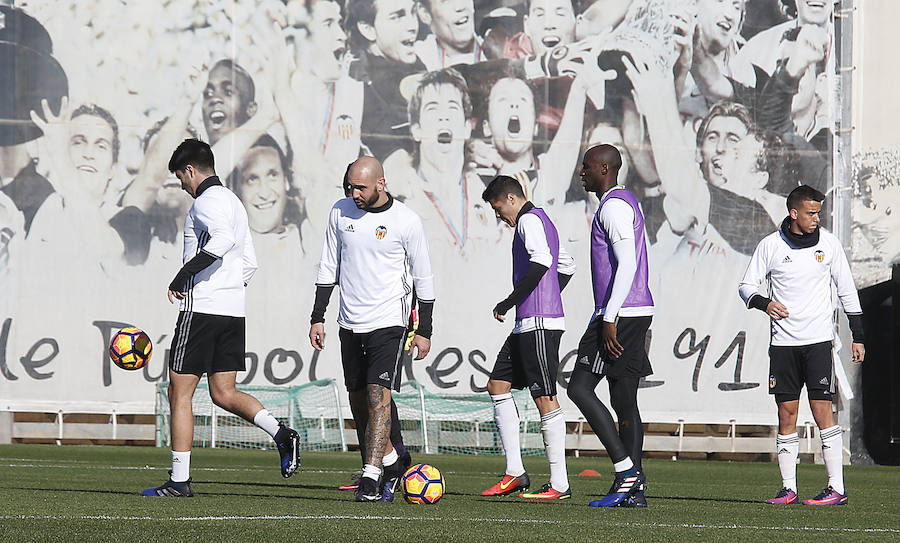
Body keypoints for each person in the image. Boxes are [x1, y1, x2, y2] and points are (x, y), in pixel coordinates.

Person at [142, 139, 301, 497]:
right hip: (232, 312)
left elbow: (222, 241)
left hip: (202, 312)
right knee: (223, 393)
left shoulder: (207, 203)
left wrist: (184, 276)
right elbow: (249, 262)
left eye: (181, 177)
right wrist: (228, 287)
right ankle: (281, 433)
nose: (182, 185)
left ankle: (179, 481)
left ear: (190, 170)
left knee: (178, 393)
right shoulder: (234, 202)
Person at [309, 156, 435, 502]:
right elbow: (328, 265)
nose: (354, 192)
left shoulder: (406, 221)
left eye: (360, 187)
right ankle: (393, 460)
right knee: (359, 399)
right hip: (349, 322)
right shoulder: (340, 211)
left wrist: (425, 329)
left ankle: (371, 474)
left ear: (381, 183)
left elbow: (424, 277)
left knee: (379, 396)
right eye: (349, 186)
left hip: (389, 323)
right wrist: (317, 316)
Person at [738, 185, 865, 506]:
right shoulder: (770, 245)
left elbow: (847, 289)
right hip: (783, 346)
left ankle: (836, 487)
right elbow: (746, 286)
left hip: (818, 344)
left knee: (823, 411)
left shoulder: (829, 244)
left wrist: (858, 334)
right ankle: (788, 488)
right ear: (793, 213)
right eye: (811, 213)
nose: (816, 219)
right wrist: (764, 303)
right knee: (786, 413)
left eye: (819, 212)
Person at [566, 144, 653, 508]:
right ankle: (635, 490)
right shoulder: (622, 203)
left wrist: (609, 316)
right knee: (623, 399)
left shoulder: (614, 206)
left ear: (604, 168)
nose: (581, 173)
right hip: (634, 310)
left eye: (586, 167)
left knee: (580, 389)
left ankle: (626, 471)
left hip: (620, 314)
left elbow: (628, 263)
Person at [479, 175, 575, 500]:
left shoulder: (528, 221)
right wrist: (546, 294)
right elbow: (567, 266)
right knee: (498, 385)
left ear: (510, 199)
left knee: (545, 398)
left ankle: (560, 483)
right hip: (528, 323)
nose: (498, 217)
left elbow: (543, 261)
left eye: (497, 209)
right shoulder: (544, 220)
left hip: (539, 324)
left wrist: (511, 300)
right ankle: (515, 473)